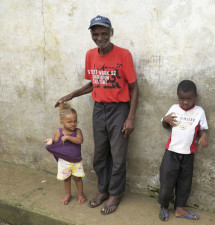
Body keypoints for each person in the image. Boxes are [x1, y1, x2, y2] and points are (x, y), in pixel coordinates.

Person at [54, 15, 138, 215]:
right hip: (99, 109)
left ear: (111, 33)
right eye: (95, 34)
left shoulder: (124, 55)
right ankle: (104, 190)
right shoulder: (91, 54)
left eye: (104, 34)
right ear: (91, 35)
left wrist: (131, 117)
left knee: (117, 156)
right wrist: (72, 94)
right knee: (100, 155)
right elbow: (94, 83)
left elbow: (134, 88)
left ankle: (115, 194)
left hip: (119, 109)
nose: (100, 38)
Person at [158, 80, 209, 221]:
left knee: (184, 182)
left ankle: (180, 207)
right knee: (166, 181)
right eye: (182, 98)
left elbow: (202, 130)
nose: (185, 102)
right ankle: (164, 205)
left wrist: (204, 136)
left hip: (188, 154)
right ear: (177, 96)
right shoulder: (174, 108)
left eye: (189, 99)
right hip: (171, 152)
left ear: (195, 96)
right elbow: (165, 124)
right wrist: (165, 119)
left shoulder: (199, 112)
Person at [44, 102, 86, 205]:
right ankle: (68, 194)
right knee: (66, 179)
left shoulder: (78, 131)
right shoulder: (59, 131)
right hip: (64, 161)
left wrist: (68, 137)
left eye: (75, 121)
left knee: (77, 178)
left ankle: (80, 194)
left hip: (76, 161)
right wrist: (51, 141)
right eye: (69, 122)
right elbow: (56, 141)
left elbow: (79, 141)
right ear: (62, 122)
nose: (73, 124)